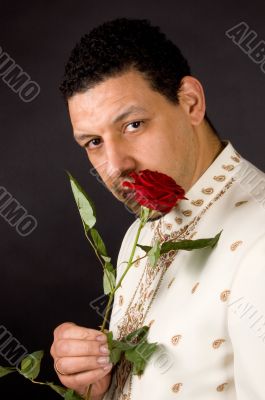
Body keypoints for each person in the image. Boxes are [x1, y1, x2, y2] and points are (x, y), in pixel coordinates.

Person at [50, 17, 265, 400]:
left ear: (190, 103)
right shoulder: (142, 231)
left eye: (133, 124)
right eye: (94, 141)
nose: (115, 166)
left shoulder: (259, 242)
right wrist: (102, 387)